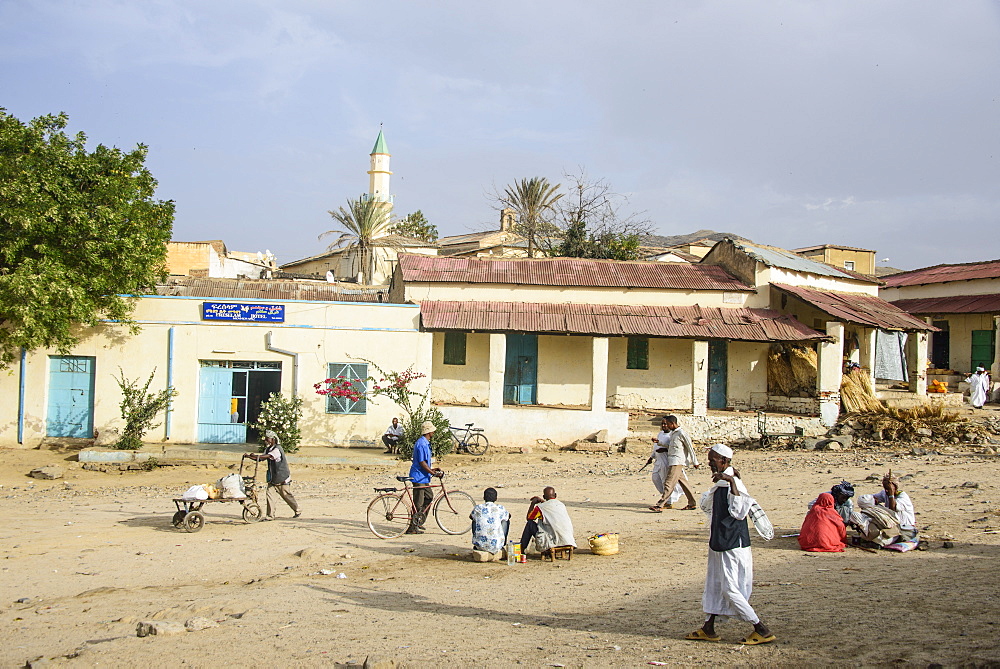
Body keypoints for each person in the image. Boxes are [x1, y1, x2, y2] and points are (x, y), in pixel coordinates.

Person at [686, 444, 775, 645]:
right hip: (720, 541)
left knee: (729, 588)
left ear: (724, 461)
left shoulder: (732, 484)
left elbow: (738, 511)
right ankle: (708, 628)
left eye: (713, 461)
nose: (710, 464)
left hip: (732, 544)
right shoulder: (722, 483)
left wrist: (731, 480)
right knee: (715, 583)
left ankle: (760, 628)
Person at [245, 430, 300, 520]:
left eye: (267, 438)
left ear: (273, 439)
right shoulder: (268, 449)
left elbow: (268, 456)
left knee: (286, 495)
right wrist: (250, 456)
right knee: (270, 496)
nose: (266, 440)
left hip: (282, 477)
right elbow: (261, 458)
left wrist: (255, 455)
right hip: (273, 478)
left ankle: (297, 510)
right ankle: (270, 516)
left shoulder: (277, 449)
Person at [649, 415, 700, 512]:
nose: (666, 426)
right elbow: (671, 446)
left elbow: (690, 448)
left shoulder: (682, 433)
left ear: (672, 423)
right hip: (672, 460)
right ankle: (692, 503)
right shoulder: (673, 434)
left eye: (667, 424)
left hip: (677, 461)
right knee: (684, 483)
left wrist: (695, 462)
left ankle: (660, 505)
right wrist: (659, 443)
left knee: (669, 483)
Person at [407, 420, 442, 534]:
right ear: (429, 432)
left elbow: (426, 462)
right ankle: (412, 527)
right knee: (418, 502)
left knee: (429, 497)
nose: (434, 433)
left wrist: (432, 470)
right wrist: (432, 472)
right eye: (432, 431)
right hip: (418, 477)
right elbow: (422, 462)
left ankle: (419, 521)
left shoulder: (425, 442)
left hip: (424, 477)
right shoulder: (421, 444)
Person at [519, 486, 576, 556]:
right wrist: (542, 502)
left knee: (530, 524)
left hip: (552, 540)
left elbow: (529, 518)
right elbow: (549, 507)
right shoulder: (561, 505)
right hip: (567, 540)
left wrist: (532, 504)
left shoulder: (540, 508)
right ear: (555, 495)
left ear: (544, 496)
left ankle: (521, 549)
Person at [646, 417, 684, 508]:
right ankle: (665, 496)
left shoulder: (672, 435)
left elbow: (673, 448)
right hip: (658, 460)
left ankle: (668, 501)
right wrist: (651, 457)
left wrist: (664, 449)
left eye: (665, 424)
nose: (663, 426)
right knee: (655, 478)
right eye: (662, 424)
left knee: (665, 481)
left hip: (666, 461)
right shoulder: (660, 434)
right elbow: (656, 447)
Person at [470, 488, 510, 557]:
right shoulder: (500, 508)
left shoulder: (478, 508)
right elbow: (508, 516)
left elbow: (471, 516)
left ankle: (477, 544)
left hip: (480, 546)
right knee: (506, 521)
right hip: (496, 546)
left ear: (484, 498)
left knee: (474, 520)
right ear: (496, 498)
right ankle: (502, 544)